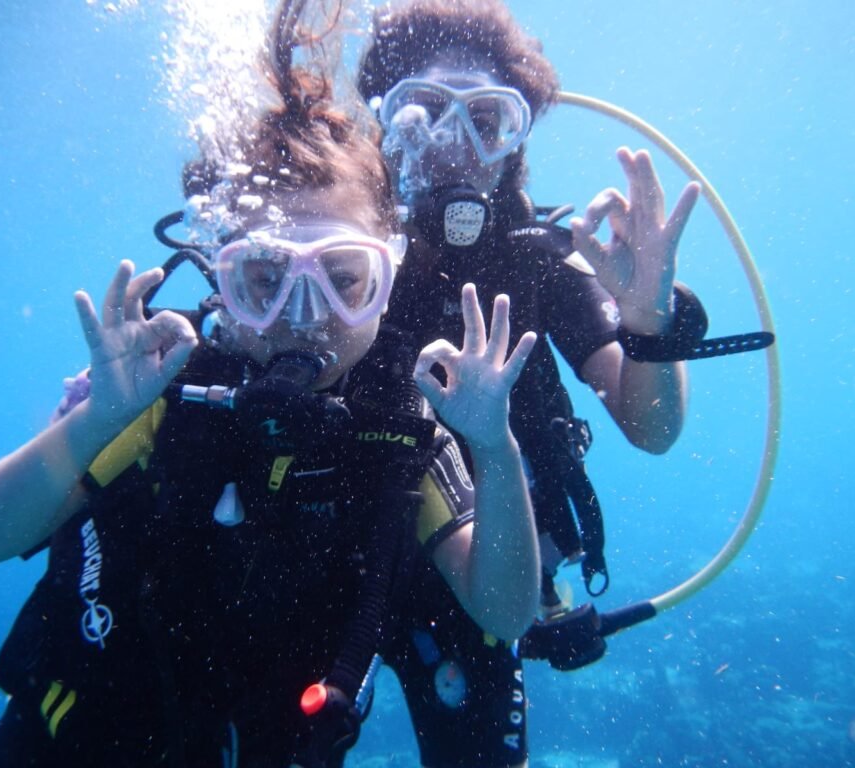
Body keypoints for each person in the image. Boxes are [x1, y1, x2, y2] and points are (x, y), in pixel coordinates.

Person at [0, 1, 542, 764]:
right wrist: (98, 418)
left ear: (390, 275)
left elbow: (505, 611)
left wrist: (494, 448)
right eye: (264, 280)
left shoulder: (403, 427)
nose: (305, 316)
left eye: (343, 279)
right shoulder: (161, 393)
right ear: (220, 280)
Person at [355, 1, 703, 766]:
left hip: (492, 578)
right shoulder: (339, 260)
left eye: (487, 119)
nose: (455, 144)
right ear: (383, 126)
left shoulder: (544, 263)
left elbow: (652, 427)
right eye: (422, 114)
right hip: (333, 563)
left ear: (516, 140)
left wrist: (648, 322)